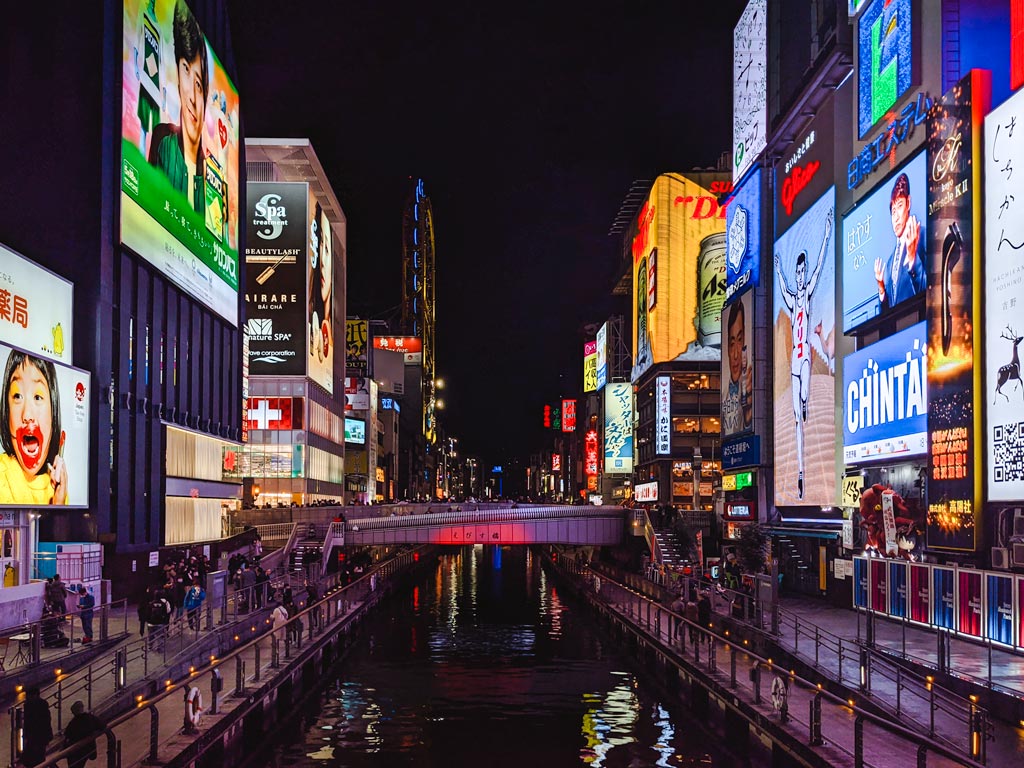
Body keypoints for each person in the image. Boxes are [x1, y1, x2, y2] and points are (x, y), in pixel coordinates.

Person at [774, 208, 832, 500]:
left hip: (805, 357)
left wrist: (826, 234)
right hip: (795, 365)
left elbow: (821, 265)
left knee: (806, 399)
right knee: (797, 419)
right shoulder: (791, 296)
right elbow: (782, 285)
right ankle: (799, 475)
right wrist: (778, 268)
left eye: (801, 272)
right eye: (797, 272)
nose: (799, 276)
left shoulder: (807, 294)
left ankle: (807, 403)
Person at [148, 0, 209, 216]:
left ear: (206, 93)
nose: (192, 96)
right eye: (185, 70)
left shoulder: (212, 176)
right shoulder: (163, 140)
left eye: (199, 84)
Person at [0, 351, 68, 505]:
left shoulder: (58, 489)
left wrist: (59, 505)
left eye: (38, 397)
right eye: (17, 396)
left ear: (53, 412)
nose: (27, 414)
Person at [873, 172, 925, 310]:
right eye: (893, 211)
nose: (895, 217)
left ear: (908, 203)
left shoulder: (923, 236)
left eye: (899, 206)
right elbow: (887, 314)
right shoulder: (890, 263)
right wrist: (881, 289)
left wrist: (913, 260)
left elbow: (934, 289)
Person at [722, 299, 753, 435]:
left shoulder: (752, 386)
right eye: (732, 343)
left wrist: (748, 415)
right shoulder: (723, 396)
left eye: (739, 341)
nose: (735, 355)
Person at [63, 701, 104, 768]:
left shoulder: (73, 723)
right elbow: (102, 725)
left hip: (76, 751)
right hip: (88, 748)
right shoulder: (90, 718)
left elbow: (67, 735)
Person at [21, 686, 53, 767]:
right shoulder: (40, 704)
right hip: (37, 737)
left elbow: (43, 722)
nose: (26, 697)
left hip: (37, 736)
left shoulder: (30, 705)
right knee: (37, 758)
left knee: (34, 758)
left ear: (34, 695)